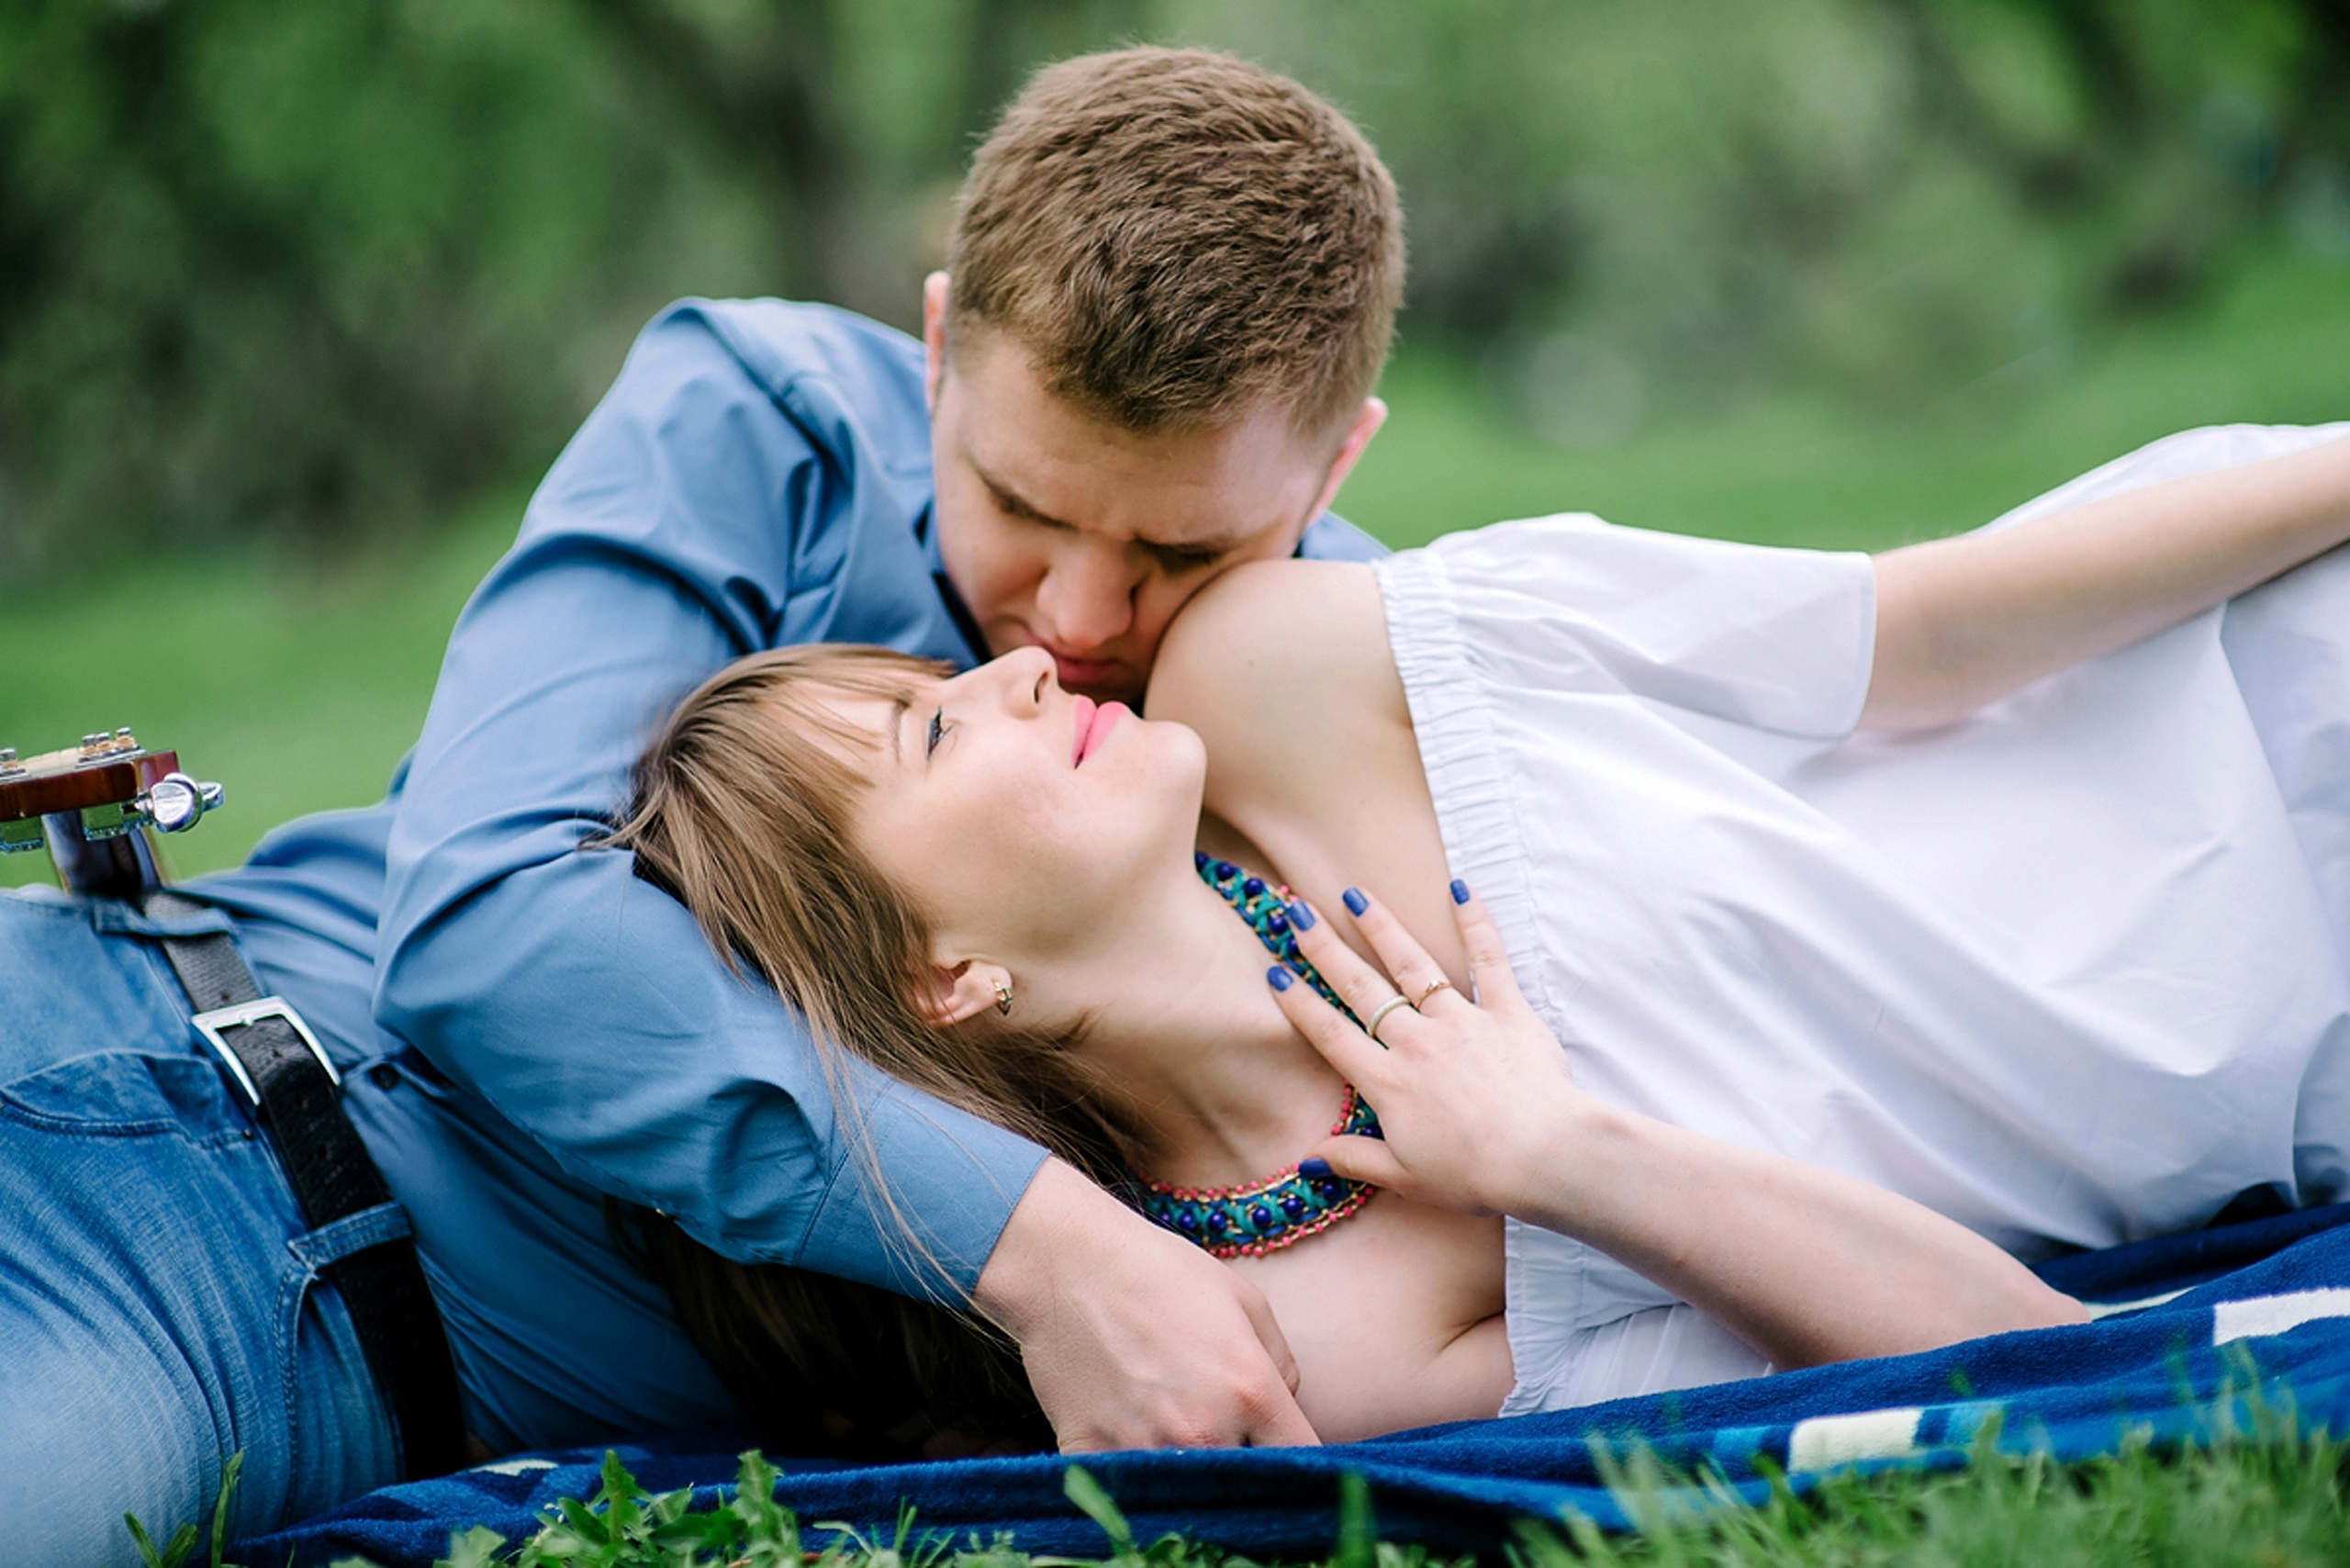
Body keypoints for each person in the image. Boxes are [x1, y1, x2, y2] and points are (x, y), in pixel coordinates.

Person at [1, 45, 1406, 1564]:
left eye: (1180, 556)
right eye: (1021, 504)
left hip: (300, 1367)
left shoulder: (1350, 687)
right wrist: (1045, 1249)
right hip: (167, 1082)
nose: (1070, 621)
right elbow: (489, 921)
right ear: (939, 351)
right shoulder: (768, 425)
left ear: (1335, 464)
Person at [606, 420, 2350, 1441]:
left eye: (938, 679)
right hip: (2289, 1055)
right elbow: (2054, 1359)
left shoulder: (1277, 671)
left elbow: (1908, 636)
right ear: (946, 977)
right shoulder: (1312, 1340)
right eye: (932, 734)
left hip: (2258, 678)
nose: (1017, 665)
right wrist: (1562, 1155)